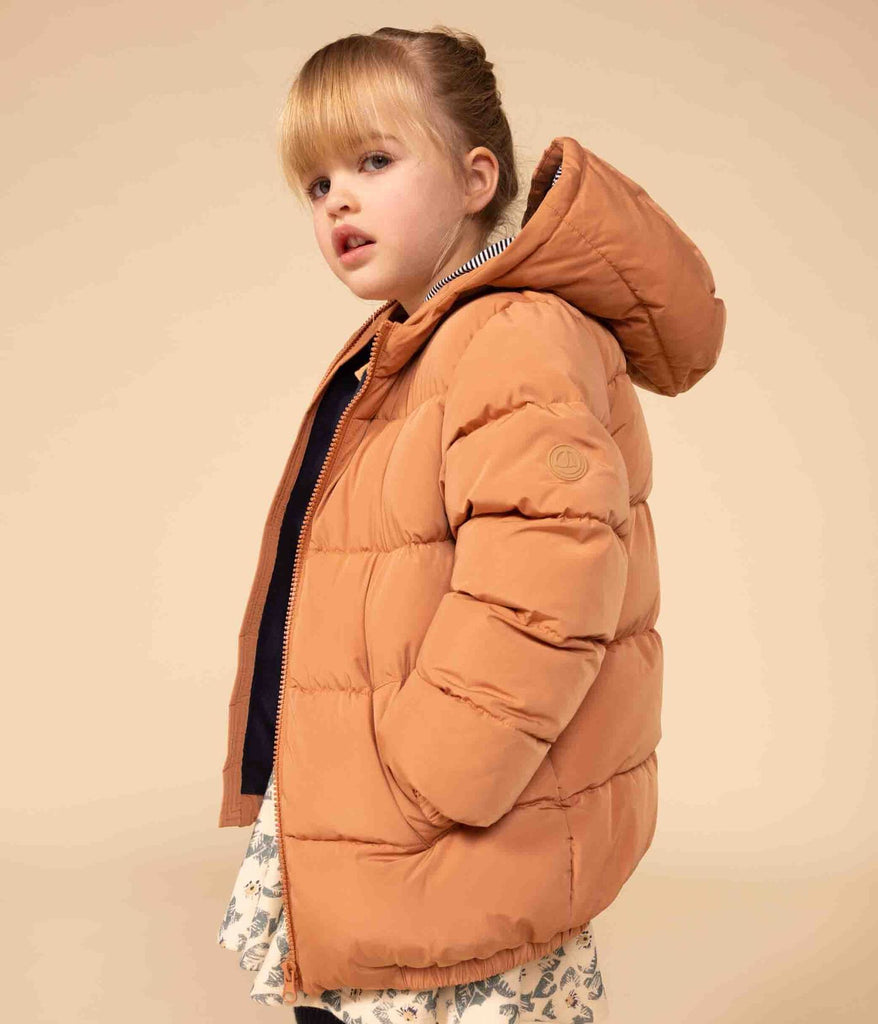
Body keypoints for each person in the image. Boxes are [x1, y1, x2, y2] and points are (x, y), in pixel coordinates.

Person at [216, 23, 726, 1024]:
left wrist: (439, 772)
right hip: (397, 827)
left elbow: (552, 567)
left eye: (373, 160)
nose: (339, 200)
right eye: (316, 183)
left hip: (445, 827)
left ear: (474, 178)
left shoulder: (508, 334)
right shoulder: (419, 342)